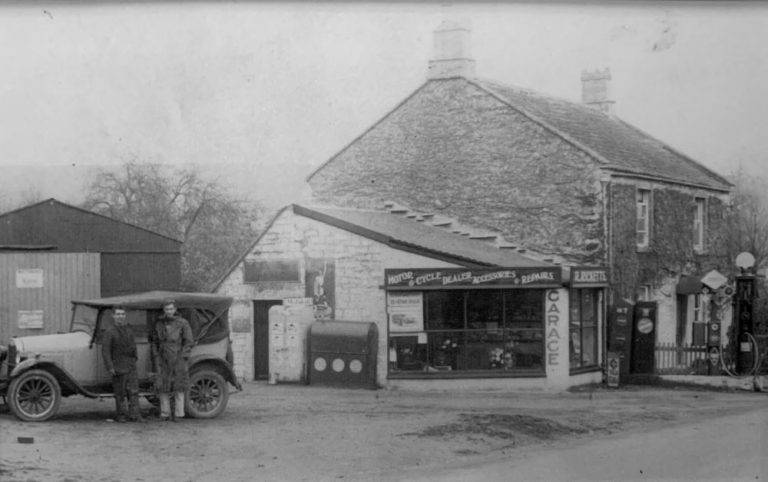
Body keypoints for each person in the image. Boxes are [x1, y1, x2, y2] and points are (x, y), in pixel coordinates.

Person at [150, 299, 193, 422]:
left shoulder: (183, 323)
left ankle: (179, 414)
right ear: (164, 310)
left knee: (179, 386)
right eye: (167, 309)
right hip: (163, 358)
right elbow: (154, 341)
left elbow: (189, 341)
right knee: (163, 386)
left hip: (178, 357)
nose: (169, 311)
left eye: (171, 309)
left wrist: (183, 357)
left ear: (175, 310)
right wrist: (156, 355)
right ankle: (165, 413)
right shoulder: (159, 324)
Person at [102, 306, 144, 423]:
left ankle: (135, 415)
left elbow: (133, 346)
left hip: (130, 366)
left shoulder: (128, 330)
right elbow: (105, 351)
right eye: (118, 314)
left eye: (122, 314)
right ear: (113, 316)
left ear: (125, 316)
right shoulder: (109, 331)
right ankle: (121, 415)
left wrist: (134, 358)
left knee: (134, 392)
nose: (120, 317)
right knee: (120, 393)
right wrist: (110, 367)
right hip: (118, 367)